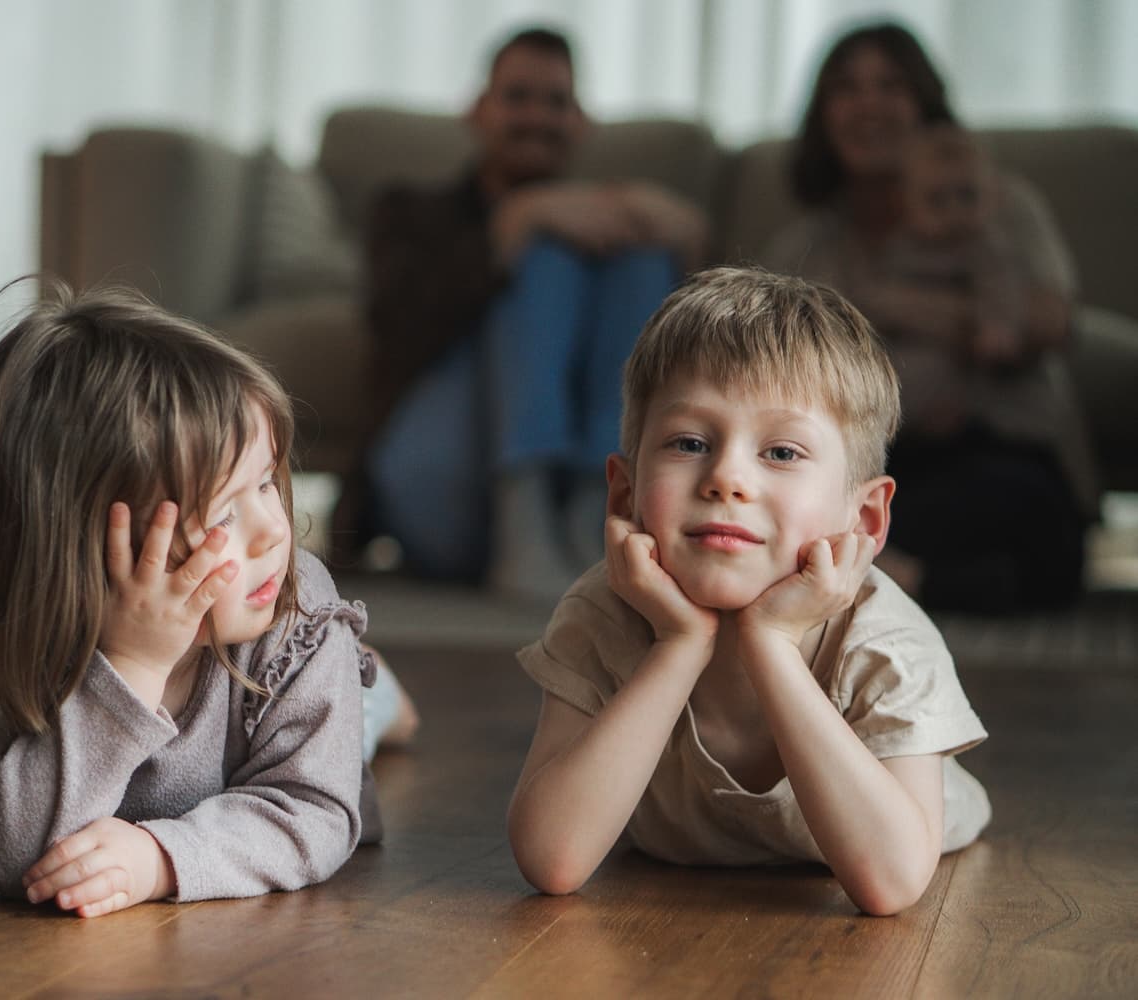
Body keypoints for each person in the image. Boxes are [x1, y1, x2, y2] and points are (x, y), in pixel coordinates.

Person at [0, 280, 416, 917]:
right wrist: (133, 665)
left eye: (266, 483)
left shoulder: (297, 620)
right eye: (224, 513)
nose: (273, 531)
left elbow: (313, 810)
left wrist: (161, 858)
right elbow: (15, 854)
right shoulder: (14, 640)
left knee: (357, 714)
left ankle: (373, 687)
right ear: (79, 551)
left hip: (294, 709)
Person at [506, 267, 990, 917]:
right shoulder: (602, 615)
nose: (727, 477)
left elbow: (892, 884)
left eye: (782, 452)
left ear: (865, 519)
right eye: (689, 442)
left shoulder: (887, 641)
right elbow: (552, 859)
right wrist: (679, 645)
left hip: (905, 831)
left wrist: (773, 641)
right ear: (623, 493)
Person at [347, 24, 707, 604]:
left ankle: (598, 506)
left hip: (571, 510)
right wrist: (511, 226)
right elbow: (397, 326)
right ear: (477, 110)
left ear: (580, 122)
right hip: (446, 488)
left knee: (640, 254)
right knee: (543, 258)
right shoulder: (409, 208)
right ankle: (525, 512)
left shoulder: (607, 224)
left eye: (556, 102)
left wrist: (672, 227)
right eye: (518, 97)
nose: (537, 116)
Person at [763, 21, 1096, 614]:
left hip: (998, 447)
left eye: (890, 85)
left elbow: (1051, 323)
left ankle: (889, 576)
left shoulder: (994, 204)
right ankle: (903, 575)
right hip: (877, 462)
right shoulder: (805, 247)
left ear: (924, 104)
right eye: (846, 88)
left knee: (1033, 517)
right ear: (823, 116)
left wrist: (900, 309)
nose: (869, 105)